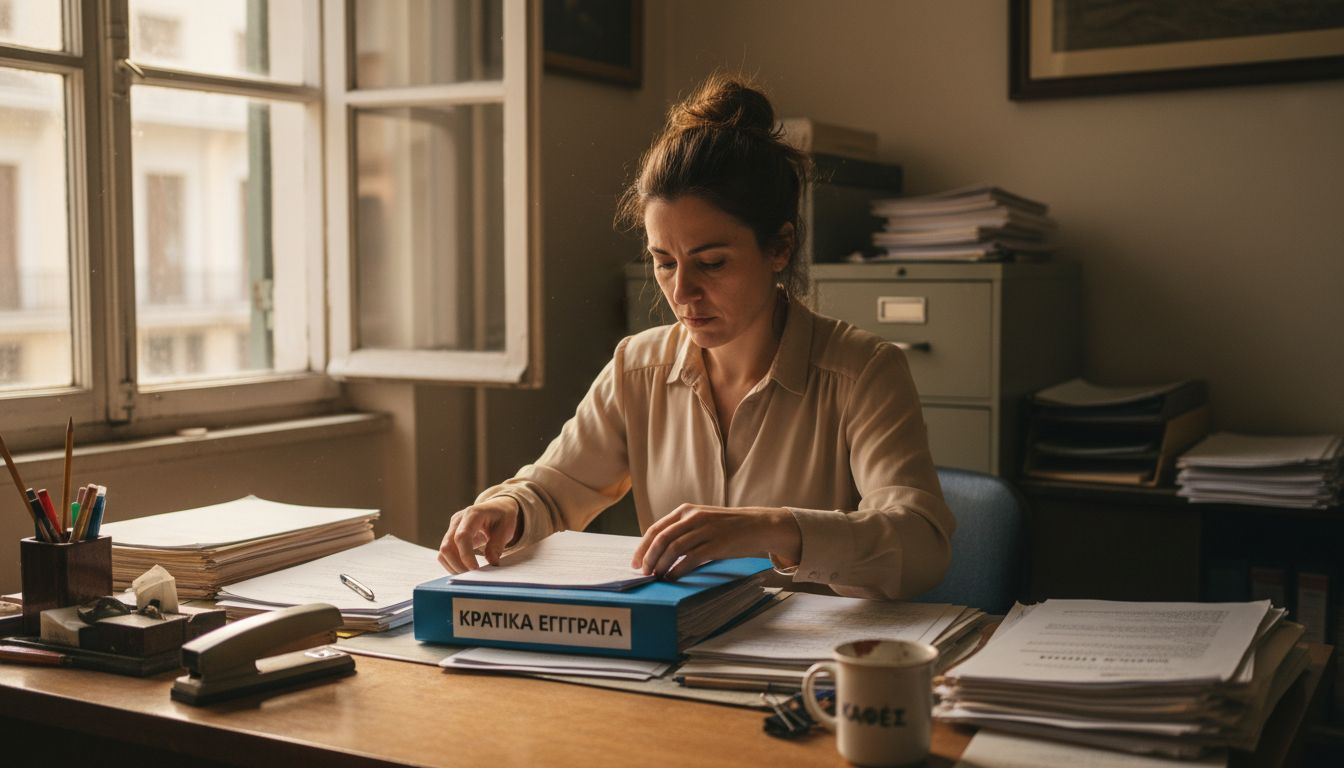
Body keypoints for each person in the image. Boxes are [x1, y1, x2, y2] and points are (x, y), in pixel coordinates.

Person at [438, 74, 954, 600]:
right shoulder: (637, 368)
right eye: (664, 263)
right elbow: (553, 491)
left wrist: (776, 528)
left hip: (815, 650)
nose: (682, 291)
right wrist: (506, 509)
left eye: (712, 263)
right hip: (680, 644)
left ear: (780, 248)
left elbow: (922, 546)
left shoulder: (863, 370)